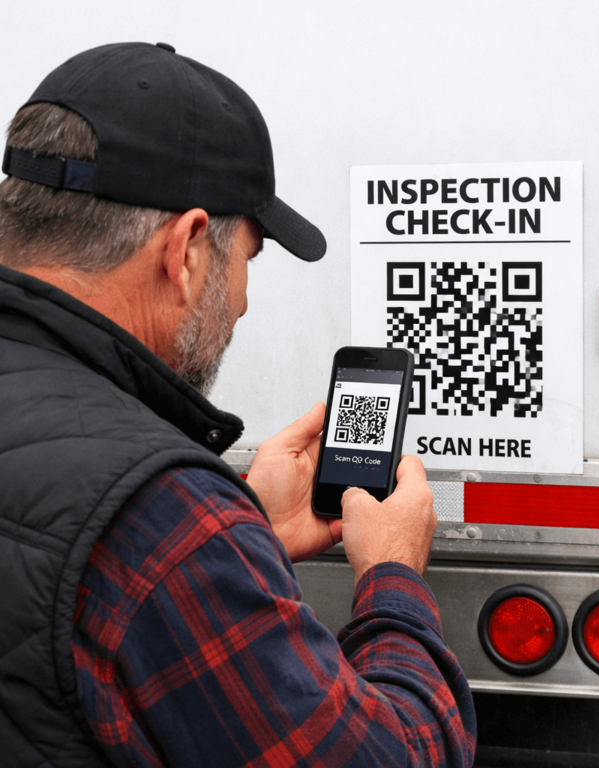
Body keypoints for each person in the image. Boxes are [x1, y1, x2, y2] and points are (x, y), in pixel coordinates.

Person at [0, 42, 476, 767]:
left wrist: (245, 538)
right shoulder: (162, 518)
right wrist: (393, 579)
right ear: (188, 249)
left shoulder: (171, 530)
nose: (245, 302)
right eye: (248, 259)